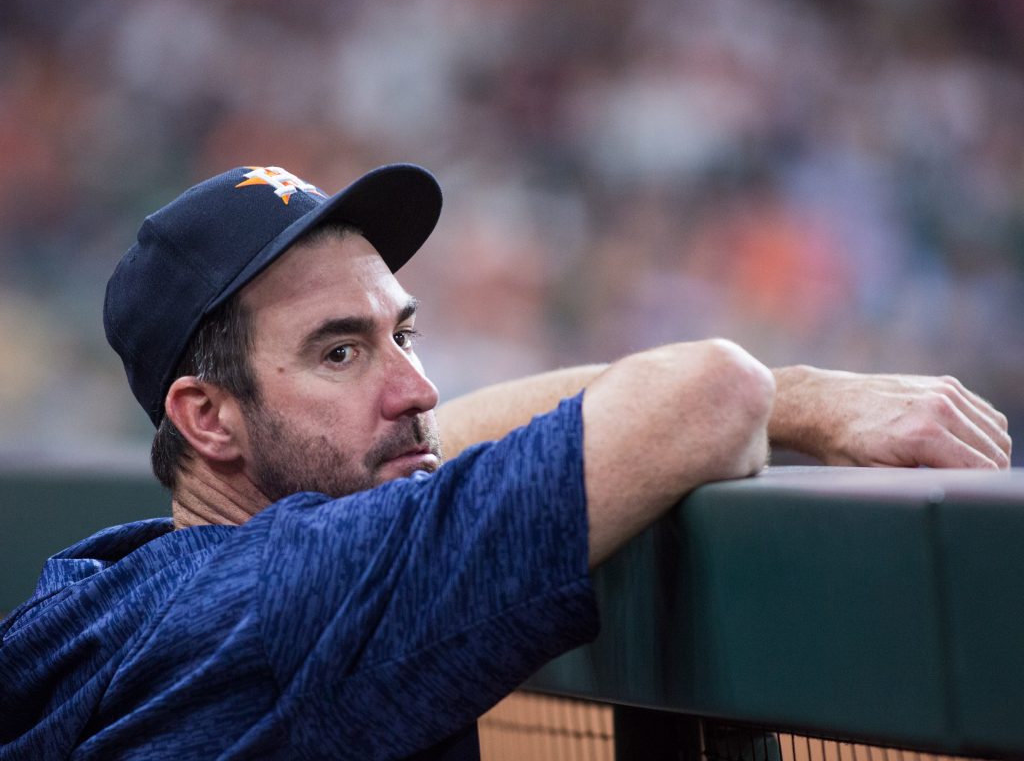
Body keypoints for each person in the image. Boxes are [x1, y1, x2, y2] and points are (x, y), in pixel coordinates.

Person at [0, 164, 1010, 761]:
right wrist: (808, 400)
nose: (417, 391)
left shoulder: (103, 582)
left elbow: (428, 445)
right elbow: (709, 394)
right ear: (208, 418)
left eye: (407, 334)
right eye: (339, 352)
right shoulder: (286, 602)